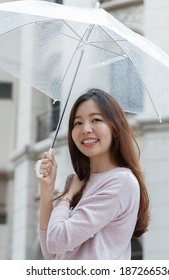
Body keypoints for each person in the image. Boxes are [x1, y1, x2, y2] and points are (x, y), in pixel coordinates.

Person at [36, 88, 150, 260]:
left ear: (115, 127)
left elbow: (56, 240)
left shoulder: (120, 182)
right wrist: (47, 188)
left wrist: (66, 196)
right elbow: (51, 253)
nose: (86, 129)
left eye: (96, 120)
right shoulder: (77, 181)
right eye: (77, 123)